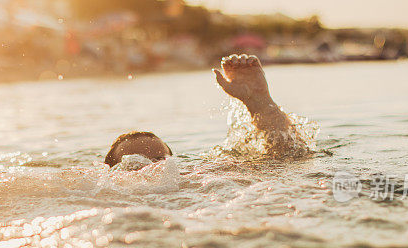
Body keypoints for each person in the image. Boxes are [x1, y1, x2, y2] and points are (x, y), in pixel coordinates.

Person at [104, 54, 311, 166]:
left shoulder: (199, 179)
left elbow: (291, 158)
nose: (152, 168)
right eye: (134, 164)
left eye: (161, 161)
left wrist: (259, 102)